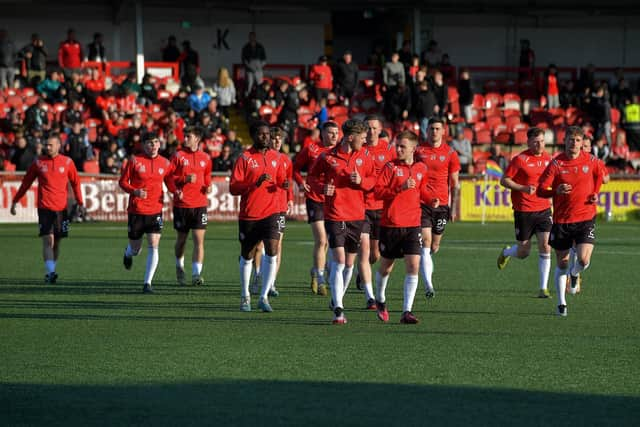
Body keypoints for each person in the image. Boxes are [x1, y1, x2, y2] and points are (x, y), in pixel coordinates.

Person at [309, 119, 375, 324]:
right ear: (351, 137)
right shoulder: (327, 157)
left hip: (357, 215)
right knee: (338, 260)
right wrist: (321, 189)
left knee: (349, 263)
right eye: (362, 138)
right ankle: (338, 309)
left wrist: (361, 182)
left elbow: (373, 181)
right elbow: (311, 177)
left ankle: (338, 298)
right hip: (335, 214)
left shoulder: (365, 156)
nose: (365, 142)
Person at [537, 126, 604, 316]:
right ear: (564, 140)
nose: (573, 143)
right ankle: (561, 304)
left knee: (583, 259)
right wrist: (554, 191)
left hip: (585, 218)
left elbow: (601, 175)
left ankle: (575, 274)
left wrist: (595, 193)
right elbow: (541, 189)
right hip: (562, 221)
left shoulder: (591, 161)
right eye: (570, 139)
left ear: (582, 142)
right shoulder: (556, 163)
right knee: (562, 263)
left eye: (577, 140)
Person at [229, 121, 288, 313]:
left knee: (272, 249)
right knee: (247, 254)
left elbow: (280, 181)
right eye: (262, 134)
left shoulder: (277, 157)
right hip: (250, 214)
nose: (266, 137)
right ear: (254, 136)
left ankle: (263, 296)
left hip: (271, 212)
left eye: (268, 134)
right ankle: (245, 294)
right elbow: (233, 188)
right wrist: (255, 182)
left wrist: (283, 185)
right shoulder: (245, 158)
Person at [10, 133, 84, 284]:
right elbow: (26, 183)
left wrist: (80, 202)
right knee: (48, 241)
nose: (47, 147)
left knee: (57, 242)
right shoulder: (38, 163)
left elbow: (76, 183)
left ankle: (51, 270)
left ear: (58, 145)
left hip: (62, 209)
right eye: (46, 144)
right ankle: (51, 272)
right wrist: (15, 200)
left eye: (51, 145)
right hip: (44, 208)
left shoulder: (68, 162)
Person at [373, 130, 428, 324]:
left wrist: (433, 200)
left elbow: (422, 192)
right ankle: (380, 299)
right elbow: (378, 192)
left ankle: (407, 311)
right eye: (397, 145)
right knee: (386, 267)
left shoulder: (421, 168)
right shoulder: (390, 167)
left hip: (413, 225)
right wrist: (399, 188)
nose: (398, 149)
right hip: (391, 224)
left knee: (413, 266)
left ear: (414, 148)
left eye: (402, 146)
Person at [497, 127, 553, 298]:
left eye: (542, 141)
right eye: (536, 141)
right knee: (524, 252)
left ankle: (543, 288)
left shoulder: (549, 160)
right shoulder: (520, 160)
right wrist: (523, 188)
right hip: (524, 211)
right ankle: (507, 252)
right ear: (528, 142)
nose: (539, 144)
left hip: (543, 209)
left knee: (546, 246)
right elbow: (504, 180)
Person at [119, 135, 177, 294]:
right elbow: (122, 182)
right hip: (136, 211)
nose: (154, 145)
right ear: (144, 145)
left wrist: (175, 191)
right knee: (136, 249)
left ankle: (147, 283)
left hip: (156, 210)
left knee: (154, 244)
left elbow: (170, 181)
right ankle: (128, 252)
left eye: (156, 142)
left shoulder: (165, 163)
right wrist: (134, 191)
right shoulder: (134, 161)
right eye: (150, 143)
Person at [415, 117, 460, 299]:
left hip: (441, 205)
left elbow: (455, 183)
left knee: (434, 246)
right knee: (425, 244)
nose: (434, 132)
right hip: (423, 203)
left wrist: (454, 207)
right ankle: (428, 285)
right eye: (431, 129)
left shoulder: (450, 153)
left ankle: (426, 266)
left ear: (443, 131)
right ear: (427, 131)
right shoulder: (419, 151)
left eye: (437, 129)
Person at [293, 121, 340, 296]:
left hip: (333, 200)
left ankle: (316, 270)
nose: (334, 136)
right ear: (322, 134)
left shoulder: (340, 152)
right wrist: (300, 183)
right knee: (321, 240)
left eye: (337, 132)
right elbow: (295, 168)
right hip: (314, 197)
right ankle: (321, 280)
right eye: (330, 132)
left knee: (330, 241)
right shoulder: (312, 149)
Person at [357, 115, 396, 310]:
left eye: (374, 128)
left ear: (380, 129)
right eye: (368, 128)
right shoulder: (359, 150)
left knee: (375, 255)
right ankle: (370, 297)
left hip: (383, 208)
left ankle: (360, 274)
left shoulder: (389, 150)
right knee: (364, 251)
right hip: (361, 207)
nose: (371, 131)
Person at [170, 126, 212, 287]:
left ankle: (196, 274)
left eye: (189, 136)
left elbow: (207, 176)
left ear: (197, 139)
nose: (185, 138)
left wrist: (208, 186)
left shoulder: (206, 157)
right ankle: (179, 266)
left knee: (199, 240)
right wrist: (184, 179)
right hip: (182, 204)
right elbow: (170, 177)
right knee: (182, 240)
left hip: (200, 204)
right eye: (185, 135)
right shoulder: (178, 155)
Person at [269, 126, 294, 296]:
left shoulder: (286, 160)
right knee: (258, 247)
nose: (277, 141)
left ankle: (271, 283)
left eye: (280, 138)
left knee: (277, 245)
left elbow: (289, 180)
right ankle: (257, 276)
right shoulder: (262, 157)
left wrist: (290, 197)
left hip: (279, 206)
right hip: (263, 206)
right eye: (274, 138)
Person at [241, 32, 267, 97]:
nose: (252, 38)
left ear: (255, 37)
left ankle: (260, 97)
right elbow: (244, 60)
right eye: (250, 37)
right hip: (249, 70)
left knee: (260, 84)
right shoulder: (246, 47)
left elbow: (264, 59)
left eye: (253, 37)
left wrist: (260, 66)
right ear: (249, 38)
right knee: (249, 85)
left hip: (258, 69)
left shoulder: (260, 47)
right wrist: (250, 67)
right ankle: (248, 98)